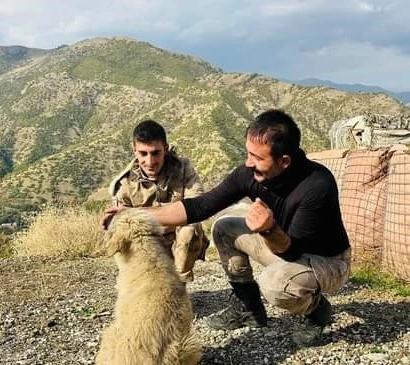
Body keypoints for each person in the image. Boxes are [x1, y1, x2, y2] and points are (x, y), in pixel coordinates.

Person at [102, 110, 351, 346]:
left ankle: (317, 309)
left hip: (325, 261)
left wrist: (267, 230)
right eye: (248, 154)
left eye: (257, 158)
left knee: (276, 285)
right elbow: (200, 206)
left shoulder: (317, 185)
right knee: (224, 228)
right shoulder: (250, 174)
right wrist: (133, 215)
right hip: (282, 245)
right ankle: (249, 308)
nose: (248, 163)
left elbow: (291, 251)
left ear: (284, 161)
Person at [108, 119, 209, 283]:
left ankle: (179, 285)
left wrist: (141, 216)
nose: (150, 162)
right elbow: (121, 224)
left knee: (190, 229)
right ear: (134, 150)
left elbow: (197, 206)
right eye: (143, 153)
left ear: (166, 149)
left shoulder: (183, 169)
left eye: (156, 153)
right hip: (146, 244)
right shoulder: (124, 184)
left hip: (177, 242)